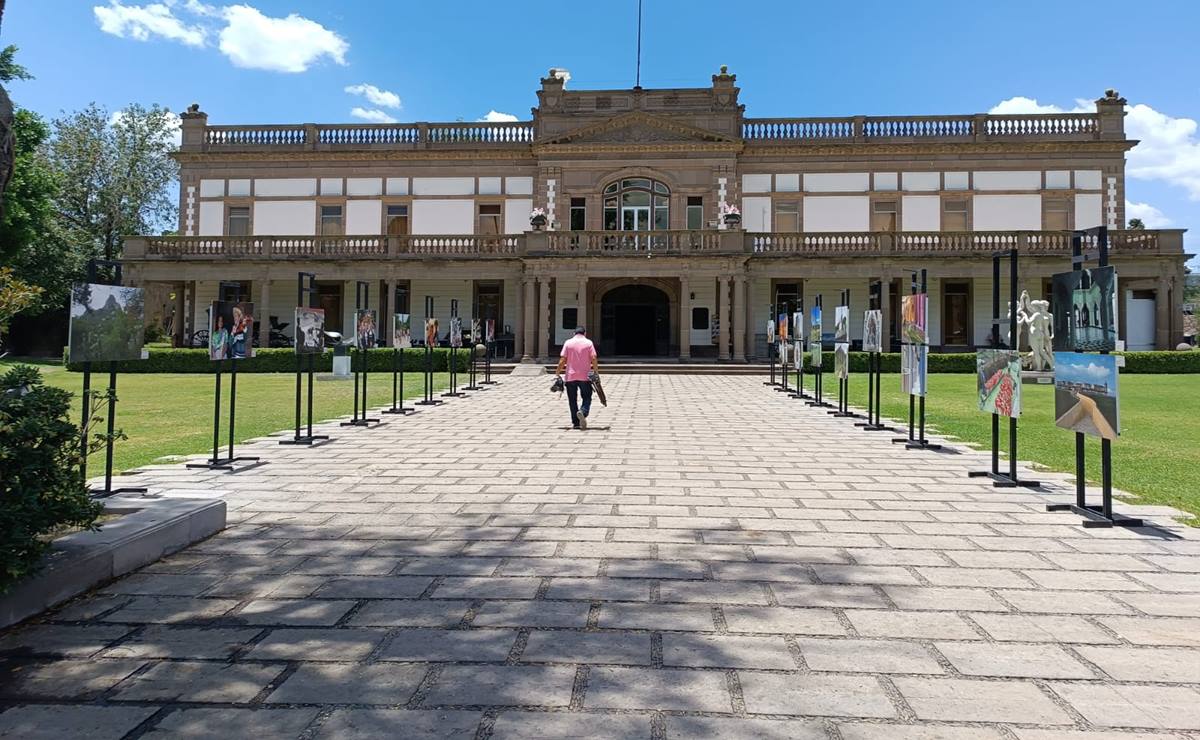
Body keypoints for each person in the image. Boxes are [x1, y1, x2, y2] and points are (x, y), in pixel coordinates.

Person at [556, 326, 599, 430]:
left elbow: (563, 359)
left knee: (572, 400)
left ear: (574, 333)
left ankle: (576, 423)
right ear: (585, 333)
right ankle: (583, 412)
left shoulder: (568, 343)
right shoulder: (588, 343)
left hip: (570, 376)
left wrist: (558, 372)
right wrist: (596, 371)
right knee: (587, 396)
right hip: (585, 376)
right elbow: (593, 358)